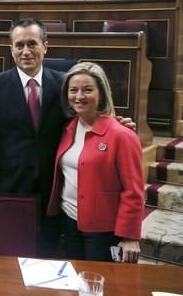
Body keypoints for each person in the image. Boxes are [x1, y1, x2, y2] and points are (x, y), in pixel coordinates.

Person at [0, 18, 135, 257]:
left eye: (32, 43)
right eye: (19, 45)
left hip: (54, 191)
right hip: (9, 190)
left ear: (45, 46)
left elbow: (86, 119)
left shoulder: (63, 83)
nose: (26, 51)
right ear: (11, 49)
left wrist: (116, 123)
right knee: (9, 259)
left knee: (49, 257)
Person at [47, 62, 143, 262]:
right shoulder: (67, 129)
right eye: (73, 90)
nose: (79, 96)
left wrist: (130, 236)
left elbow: (133, 191)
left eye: (88, 90)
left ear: (101, 93)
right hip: (68, 222)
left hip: (102, 231)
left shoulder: (121, 135)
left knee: (98, 287)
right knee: (74, 282)